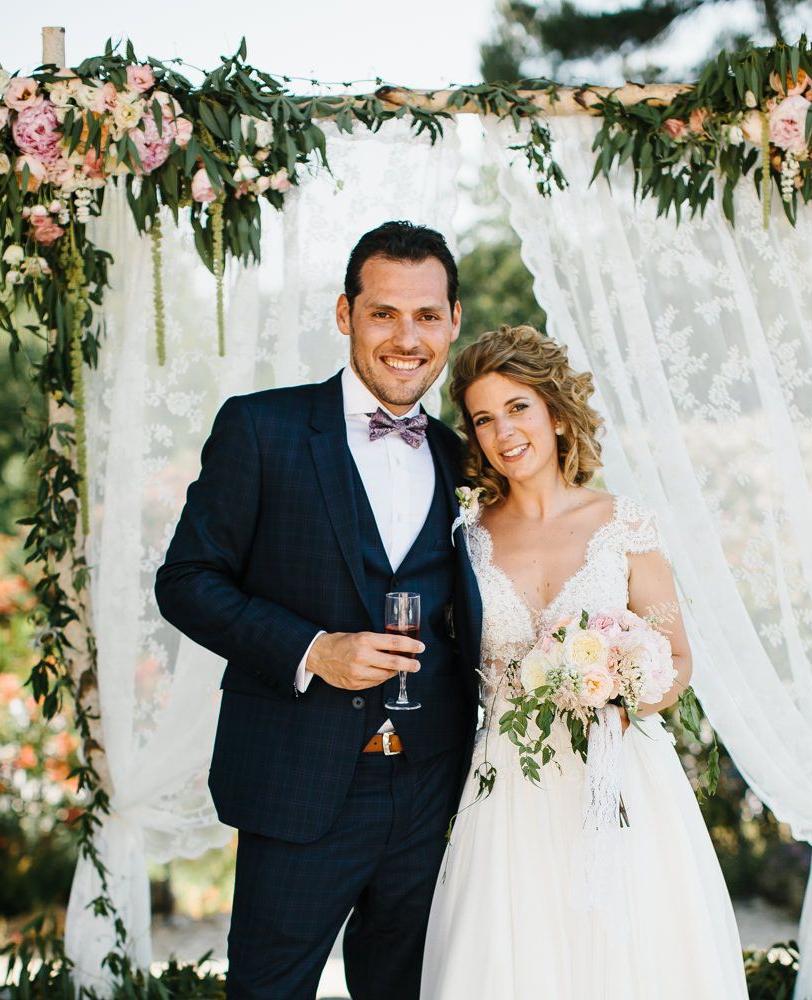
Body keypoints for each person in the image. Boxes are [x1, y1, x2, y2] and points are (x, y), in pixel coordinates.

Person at [154, 221, 482, 1000]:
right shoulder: (261, 429)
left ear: (454, 322)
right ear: (345, 315)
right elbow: (187, 579)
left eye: (428, 316)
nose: (408, 338)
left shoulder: (463, 456)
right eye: (384, 313)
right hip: (298, 783)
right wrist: (312, 649)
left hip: (434, 788)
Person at [421, 325, 749, 999]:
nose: (503, 431)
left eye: (518, 407)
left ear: (555, 412)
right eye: (484, 418)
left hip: (622, 776)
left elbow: (677, 656)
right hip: (510, 784)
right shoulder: (465, 537)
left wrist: (626, 687)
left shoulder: (623, 525)